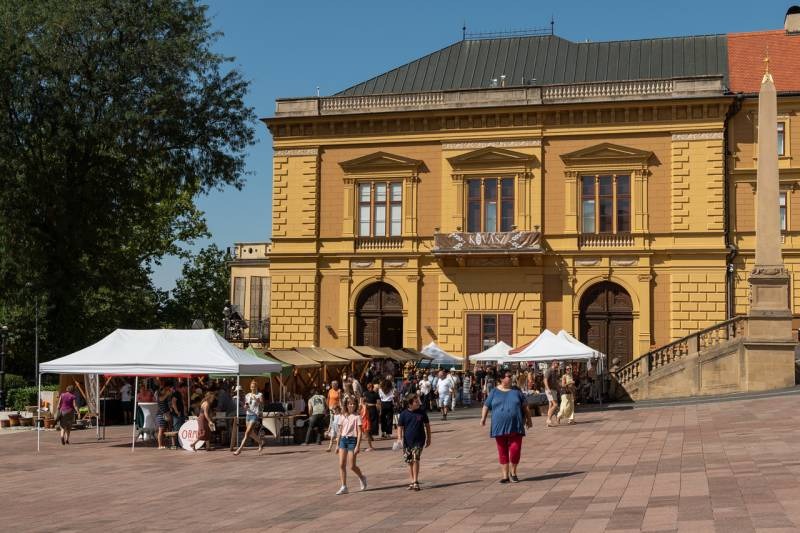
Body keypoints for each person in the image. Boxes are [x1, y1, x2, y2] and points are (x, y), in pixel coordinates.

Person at [480, 371, 533, 483]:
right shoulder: (494, 392)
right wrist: (483, 418)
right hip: (499, 426)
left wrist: (529, 420)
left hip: (516, 425)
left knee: (515, 449)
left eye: (510, 376)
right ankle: (505, 476)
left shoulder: (517, 391)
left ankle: (513, 472)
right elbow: (486, 406)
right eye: (508, 376)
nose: (511, 377)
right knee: (502, 450)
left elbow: (525, 406)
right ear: (501, 378)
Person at [397, 393, 432, 491]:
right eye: (416, 402)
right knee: (410, 461)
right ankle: (412, 481)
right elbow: (400, 427)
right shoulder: (404, 414)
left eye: (418, 401)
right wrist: (399, 438)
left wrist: (429, 438)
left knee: (416, 459)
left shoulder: (422, 413)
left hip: (419, 441)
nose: (418, 403)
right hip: (407, 442)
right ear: (410, 403)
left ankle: (416, 481)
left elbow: (427, 426)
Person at [335, 397, 367, 495]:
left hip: (352, 440)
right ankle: (344, 486)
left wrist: (358, 446)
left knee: (352, 466)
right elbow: (340, 431)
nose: (351, 405)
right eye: (349, 404)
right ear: (346, 405)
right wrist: (337, 444)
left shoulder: (357, 417)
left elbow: (360, 432)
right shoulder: (342, 416)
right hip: (343, 440)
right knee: (341, 464)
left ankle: (362, 477)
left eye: (353, 404)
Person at [234, 380, 265, 455]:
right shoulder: (247, 395)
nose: (253, 388)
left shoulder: (259, 394)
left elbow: (262, 403)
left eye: (254, 387)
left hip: (255, 415)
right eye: (252, 387)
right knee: (250, 433)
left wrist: (256, 400)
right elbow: (246, 404)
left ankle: (240, 449)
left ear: (256, 387)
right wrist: (245, 406)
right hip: (248, 414)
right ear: (250, 387)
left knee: (247, 433)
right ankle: (261, 442)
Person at [361, 382, 379, 451]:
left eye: (371, 387)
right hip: (367, 410)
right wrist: (365, 405)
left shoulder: (375, 394)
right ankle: (369, 435)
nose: (370, 388)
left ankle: (370, 435)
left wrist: (378, 409)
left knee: (373, 424)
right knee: (368, 424)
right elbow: (362, 401)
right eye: (369, 387)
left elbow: (378, 403)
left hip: (373, 410)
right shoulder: (365, 393)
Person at [156, 384, 173, 449]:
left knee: (165, 430)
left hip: (165, 414)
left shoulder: (165, 396)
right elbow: (162, 398)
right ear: (161, 391)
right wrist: (167, 393)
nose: (165, 391)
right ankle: (160, 445)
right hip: (161, 415)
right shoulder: (160, 397)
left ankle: (168, 443)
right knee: (161, 430)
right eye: (164, 390)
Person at [544, 360, 560, 427]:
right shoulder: (549, 371)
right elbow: (545, 380)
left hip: (553, 390)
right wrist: (548, 389)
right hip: (550, 390)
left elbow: (555, 382)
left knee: (551, 405)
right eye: (557, 364)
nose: (558, 365)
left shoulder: (555, 371)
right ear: (554, 364)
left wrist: (558, 389)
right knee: (555, 405)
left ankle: (548, 422)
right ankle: (548, 419)